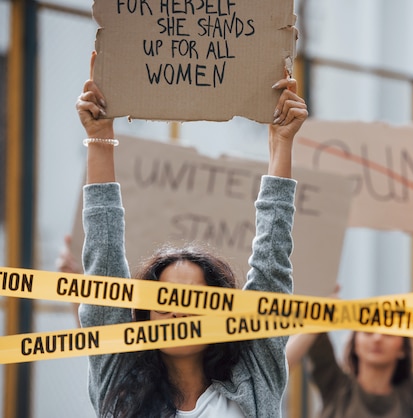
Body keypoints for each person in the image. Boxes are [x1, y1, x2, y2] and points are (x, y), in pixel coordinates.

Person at [76, 51, 308, 418]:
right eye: (164, 297)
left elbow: (271, 264)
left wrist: (282, 143)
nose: (178, 309)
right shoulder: (118, 378)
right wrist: (100, 136)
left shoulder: (254, 379)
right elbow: (102, 258)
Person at [284, 219, 413, 418]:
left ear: (403, 348)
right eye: (368, 331)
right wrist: (319, 308)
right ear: (354, 343)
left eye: (388, 332)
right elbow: (300, 339)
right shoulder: (335, 383)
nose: (377, 338)